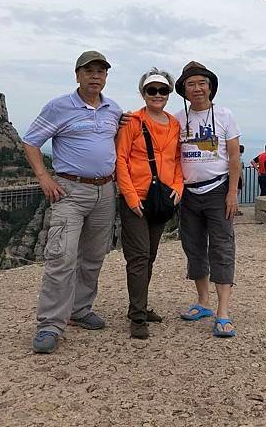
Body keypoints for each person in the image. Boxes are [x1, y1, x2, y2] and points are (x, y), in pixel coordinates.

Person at [22, 51, 123, 354]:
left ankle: (80, 309)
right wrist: (43, 176)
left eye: (101, 71)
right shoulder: (59, 106)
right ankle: (50, 324)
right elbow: (31, 141)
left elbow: (118, 141)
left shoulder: (113, 109)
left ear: (106, 77)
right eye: (89, 70)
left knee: (93, 256)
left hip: (105, 192)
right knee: (62, 256)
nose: (95, 76)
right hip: (69, 191)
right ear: (77, 74)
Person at [115, 68, 183, 339]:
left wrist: (178, 187)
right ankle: (137, 315)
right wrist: (131, 197)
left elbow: (177, 160)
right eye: (151, 90)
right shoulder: (132, 121)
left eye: (162, 90)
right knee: (139, 255)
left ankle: (140, 305)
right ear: (143, 93)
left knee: (150, 254)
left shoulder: (174, 124)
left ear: (168, 94)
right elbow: (121, 159)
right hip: (137, 198)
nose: (157, 95)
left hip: (162, 199)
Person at [174, 61, 240, 338]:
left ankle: (223, 311)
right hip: (188, 193)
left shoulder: (225, 116)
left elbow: (235, 157)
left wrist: (232, 192)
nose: (197, 88)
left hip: (217, 189)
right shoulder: (177, 119)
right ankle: (203, 302)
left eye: (202, 83)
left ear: (210, 87)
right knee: (193, 247)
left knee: (222, 247)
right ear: (184, 90)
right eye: (191, 84)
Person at [235, 144, 245, 216]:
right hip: (238, 178)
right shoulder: (240, 158)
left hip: (232, 177)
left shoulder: (233, 157)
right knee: (236, 195)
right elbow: (240, 170)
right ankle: (235, 210)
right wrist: (242, 179)